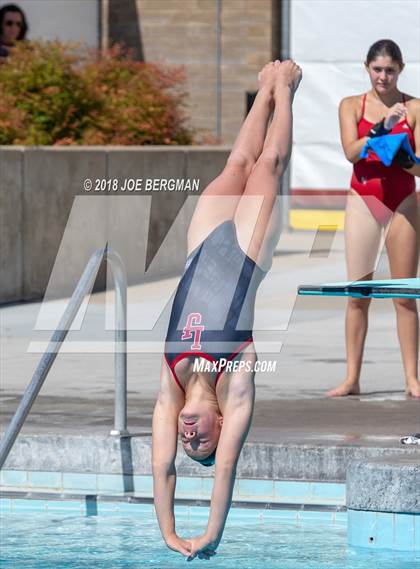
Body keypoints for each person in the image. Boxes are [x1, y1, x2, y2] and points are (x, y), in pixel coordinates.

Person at [152, 60, 302, 561]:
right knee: (268, 165)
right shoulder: (236, 378)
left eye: (186, 441)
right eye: (201, 442)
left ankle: (262, 89)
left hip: (201, 246)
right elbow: (227, 467)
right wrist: (212, 534)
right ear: (220, 427)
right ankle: (284, 87)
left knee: (236, 163)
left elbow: (161, 467)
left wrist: (170, 533)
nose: (188, 436)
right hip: (245, 251)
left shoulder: (172, 384)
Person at [328, 39, 420, 398]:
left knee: (404, 295)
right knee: (358, 294)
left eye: (390, 70)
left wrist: (404, 159)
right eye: (377, 69)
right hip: (364, 199)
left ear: (400, 70)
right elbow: (351, 152)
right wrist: (381, 129)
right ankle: (352, 378)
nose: (383, 76)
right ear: (366, 67)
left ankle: (412, 378)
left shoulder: (414, 108)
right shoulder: (351, 105)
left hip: (403, 202)